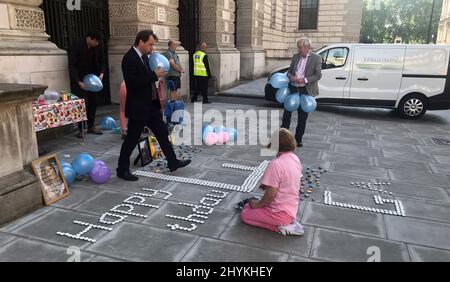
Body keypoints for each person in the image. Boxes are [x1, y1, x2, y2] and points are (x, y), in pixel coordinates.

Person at [117, 30, 191, 181]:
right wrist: (153, 76)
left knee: (163, 134)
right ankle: (122, 169)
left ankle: (173, 162)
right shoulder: (129, 58)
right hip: (138, 107)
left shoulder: (145, 57)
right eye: (150, 44)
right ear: (141, 42)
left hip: (151, 105)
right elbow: (132, 83)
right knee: (131, 139)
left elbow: (147, 78)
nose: (152, 48)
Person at [239, 128, 304, 236]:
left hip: (278, 213)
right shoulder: (295, 158)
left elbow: (271, 195)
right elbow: (287, 181)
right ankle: (286, 222)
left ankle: (281, 227)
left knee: (245, 214)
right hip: (290, 209)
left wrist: (258, 205)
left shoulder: (276, 164)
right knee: (247, 205)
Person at [281, 37, 322, 148]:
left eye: (300, 48)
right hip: (293, 87)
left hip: (305, 90)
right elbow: (289, 71)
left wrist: (304, 80)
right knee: (286, 114)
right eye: (298, 47)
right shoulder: (295, 57)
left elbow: (318, 75)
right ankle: (283, 137)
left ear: (307, 47)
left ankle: (298, 140)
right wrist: (291, 77)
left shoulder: (316, 58)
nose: (299, 50)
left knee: (302, 116)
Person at [68, 30, 105, 138]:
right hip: (80, 78)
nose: (97, 44)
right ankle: (80, 129)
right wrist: (78, 81)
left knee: (93, 101)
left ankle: (91, 125)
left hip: (93, 78)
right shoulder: (77, 45)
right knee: (81, 104)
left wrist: (102, 73)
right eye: (96, 41)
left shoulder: (97, 47)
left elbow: (102, 61)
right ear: (89, 38)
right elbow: (72, 65)